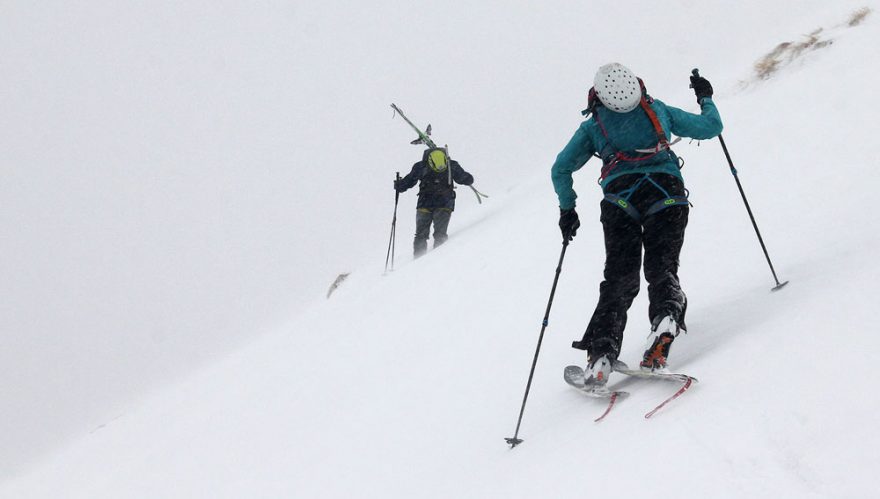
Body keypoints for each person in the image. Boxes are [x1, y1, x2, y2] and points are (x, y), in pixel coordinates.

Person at [550, 62, 722, 387]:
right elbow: (711, 127)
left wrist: (567, 209)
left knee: (619, 278)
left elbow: (560, 169)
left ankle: (601, 355)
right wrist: (705, 96)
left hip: (620, 203)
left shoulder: (593, 127)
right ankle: (666, 318)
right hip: (668, 197)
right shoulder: (659, 111)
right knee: (663, 268)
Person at [395, 147, 474, 257]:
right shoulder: (451, 165)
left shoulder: (421, 166)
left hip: (424, 203)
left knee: (420, 235)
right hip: (445, 203)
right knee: (440, 234)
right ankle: (438, 260)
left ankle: (418, 260)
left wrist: (399, 185)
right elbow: (467, 179)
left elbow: (407, 183)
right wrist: (467, 178)